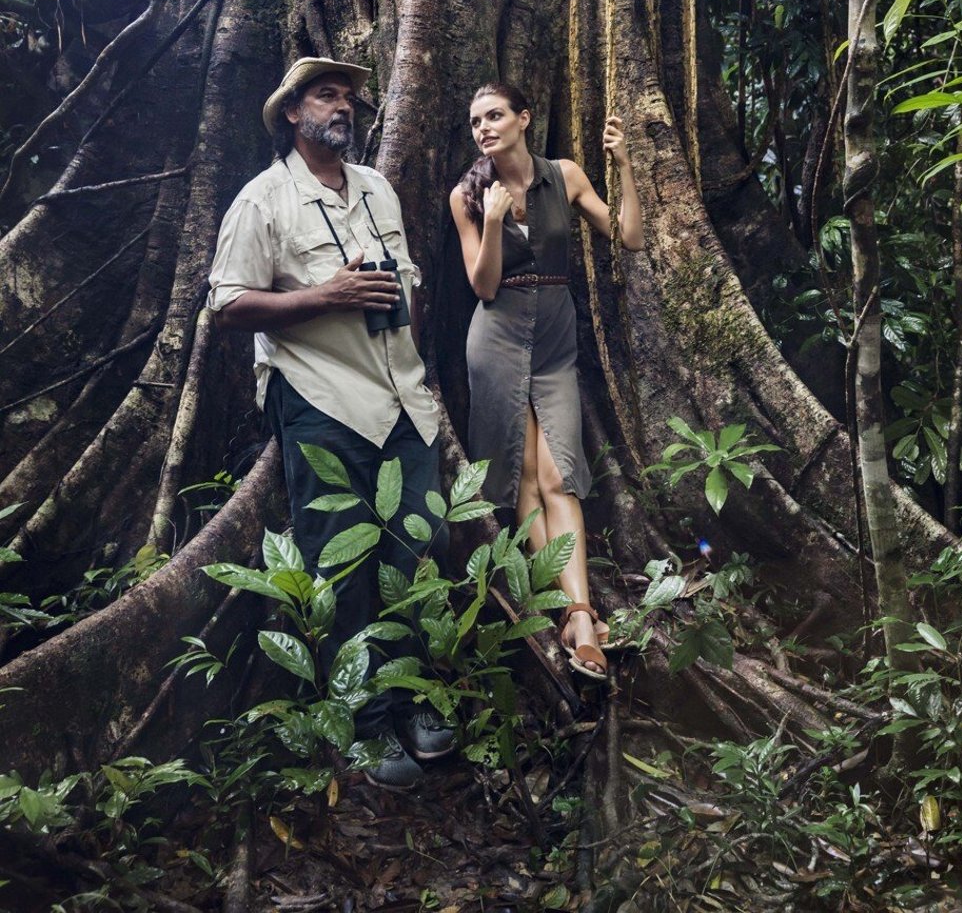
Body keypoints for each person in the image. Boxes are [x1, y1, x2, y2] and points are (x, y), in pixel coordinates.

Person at [208, 57, 454, 789]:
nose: (341, 106)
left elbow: (406, 284)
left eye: (348, 96)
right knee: (342, 569)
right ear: (292, 112)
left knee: (419, 546)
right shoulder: (263, 202)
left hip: (403, 397)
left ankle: (411, 701)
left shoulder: (379, 190)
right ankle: (365, 724)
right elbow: (226, 305)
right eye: (326, 94)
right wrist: (326, 294)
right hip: (319, 400)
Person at [449, 84, 643, 680]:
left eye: (495, 115)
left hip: (557, 338)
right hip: (497, 335)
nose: (484, 127)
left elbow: (628, 236)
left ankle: (575, 611)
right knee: (523, 476)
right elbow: (481, 287)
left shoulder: (563, 175)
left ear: (524, 118)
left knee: (561, 472)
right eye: (476, 120)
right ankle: (574, 616)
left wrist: (625, 167)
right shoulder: (467, 193)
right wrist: (493, 219)